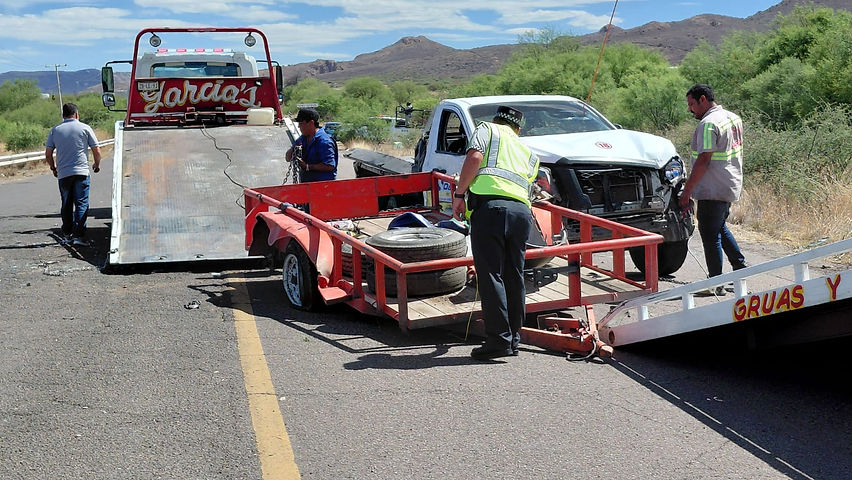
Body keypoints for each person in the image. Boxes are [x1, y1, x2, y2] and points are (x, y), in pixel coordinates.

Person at [452, 106, 539, 360]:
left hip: (491, 209)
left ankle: (498, 340)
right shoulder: (528, 151)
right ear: (518, 129)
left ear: (496, 120)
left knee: (491, 275)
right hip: (521, 213)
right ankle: (513, 340)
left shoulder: (486, 130)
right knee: (514, 274)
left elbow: (475, 158)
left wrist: (459, 194)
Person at [680, 84, 748, 294]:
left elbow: (704, 159)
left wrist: (687, 191)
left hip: (713, 187)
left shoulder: (708, 124)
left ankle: (715, 283)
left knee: (709, 234)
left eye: (692, 104)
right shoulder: (732, 117)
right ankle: (739, 268)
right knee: (718, 227)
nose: (690, 110)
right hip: (729, 184)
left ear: (703, 99)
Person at [45, 103, 102, 246]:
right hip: (81, 172)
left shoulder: (55, 130)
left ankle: (67, 234)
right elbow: (96, 149)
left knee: (66, 204)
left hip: (64, 173)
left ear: (63, 115)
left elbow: (48, 153)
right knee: (81, 203)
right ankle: (79, 236)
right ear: (76, 114)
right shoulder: (85, 128)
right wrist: (97, 164)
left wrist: (53, 167)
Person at [286, 108, 337, 182]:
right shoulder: (302, 139)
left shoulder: (324, 141)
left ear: (311, 123)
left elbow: (330, 166)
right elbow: (288, 158)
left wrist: (307, 167)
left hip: (323, 186)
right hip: (306, 185)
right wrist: (293, 150)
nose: (299, 127)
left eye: (301, 123)